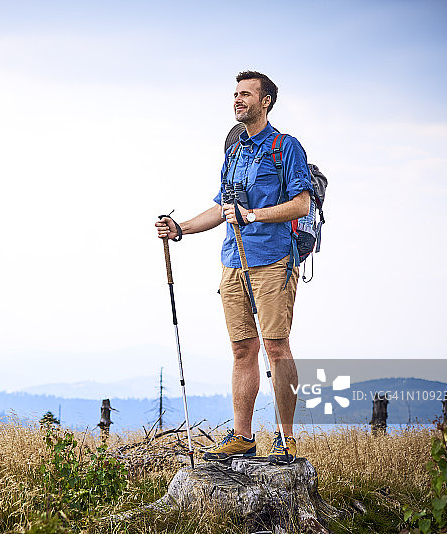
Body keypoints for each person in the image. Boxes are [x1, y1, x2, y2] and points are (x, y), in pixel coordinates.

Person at [154, 71, 313, 464]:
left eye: (246, 94)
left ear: (266, 102)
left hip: (273, 260)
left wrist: (254, 215)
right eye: (235, 94)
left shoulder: (285, 148)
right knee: (243, 350)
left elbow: (302, 204)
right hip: (232, 262)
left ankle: (286, 438)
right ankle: (244, 436)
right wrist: (181, 229)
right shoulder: (234, 151)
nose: (237, 100)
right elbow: (223, 209)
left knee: (276, 348)